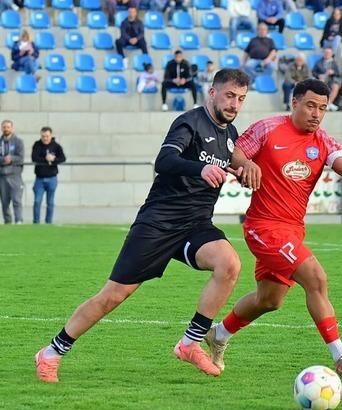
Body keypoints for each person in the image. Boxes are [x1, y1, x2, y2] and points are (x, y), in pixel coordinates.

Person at [34, 69, 251, 383]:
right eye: (230, 95)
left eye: (241, 99)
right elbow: (163, 161)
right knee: (113, 296)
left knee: (229, 264)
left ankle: (190, 343)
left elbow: (232, 163)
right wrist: (200, 168)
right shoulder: (189, 122)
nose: (235, 104)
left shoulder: (231, 135)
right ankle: (51, 352)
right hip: (158, 223)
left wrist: (242, 172)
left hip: (195, 224)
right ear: (212, 93)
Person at [202, 78, 342, 379]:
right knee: (316, 279)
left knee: (269, 300)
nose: (316, 114)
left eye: (322, 108)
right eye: (310, 105)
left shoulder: (324, 142)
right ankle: (341, 356)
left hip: (293, 231)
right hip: (264, 227)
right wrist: (247, 165)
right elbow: (236, 152)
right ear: (294, 103)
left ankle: (220, 334)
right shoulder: (268, 128)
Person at [31, 127, 66, 224]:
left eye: (47, 136)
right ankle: (36, 222)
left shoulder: (56, 146)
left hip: (52, 178)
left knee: (50, 202)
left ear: (51, 135)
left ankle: (48, 222)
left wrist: (53, 159)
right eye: (43, 136)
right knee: (37, 201)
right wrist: (46, 159)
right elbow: (34, 158)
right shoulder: (37, 145)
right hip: (39, 179)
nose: (45, 138)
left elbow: (63, 158)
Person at [0, 120, 24, 224]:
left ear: (12, 128)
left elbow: (21, 157)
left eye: (8, 127)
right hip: (2, 176)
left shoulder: (18, 141)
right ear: (2, 128)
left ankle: (19, 221)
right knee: (5, 202)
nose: (6, 129)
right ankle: (7, 222)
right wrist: (4, 160)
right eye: (4, 127)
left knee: (16, 200)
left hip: (15, 176)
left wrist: (12, 158)